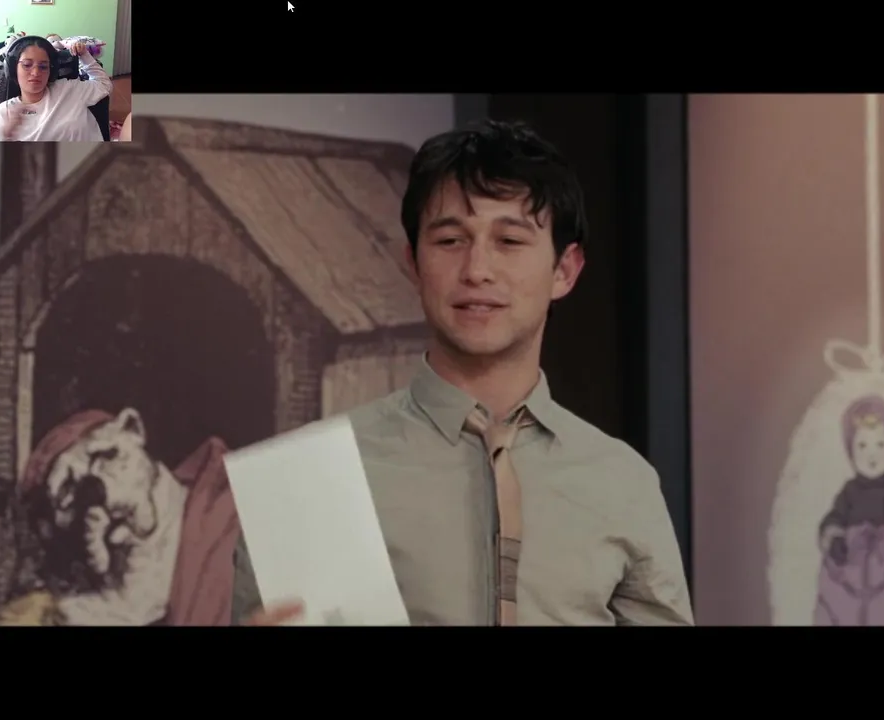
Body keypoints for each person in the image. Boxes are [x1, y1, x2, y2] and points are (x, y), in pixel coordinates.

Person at [232, 119, 694, 626]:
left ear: (564, 270)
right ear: (413, 263)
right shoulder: (312, 481)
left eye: (509, 241)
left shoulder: (621, 480)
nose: (477, 270)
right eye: (451, 240)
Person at [0, 35, 111, 142]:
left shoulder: (68, 89)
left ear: (51, 71)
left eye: (43, 67)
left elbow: (104, 85)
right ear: (13, 69)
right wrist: (6, 135)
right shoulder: (5, 112)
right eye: (27, 65)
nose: (35, 72)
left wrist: (85, 56)